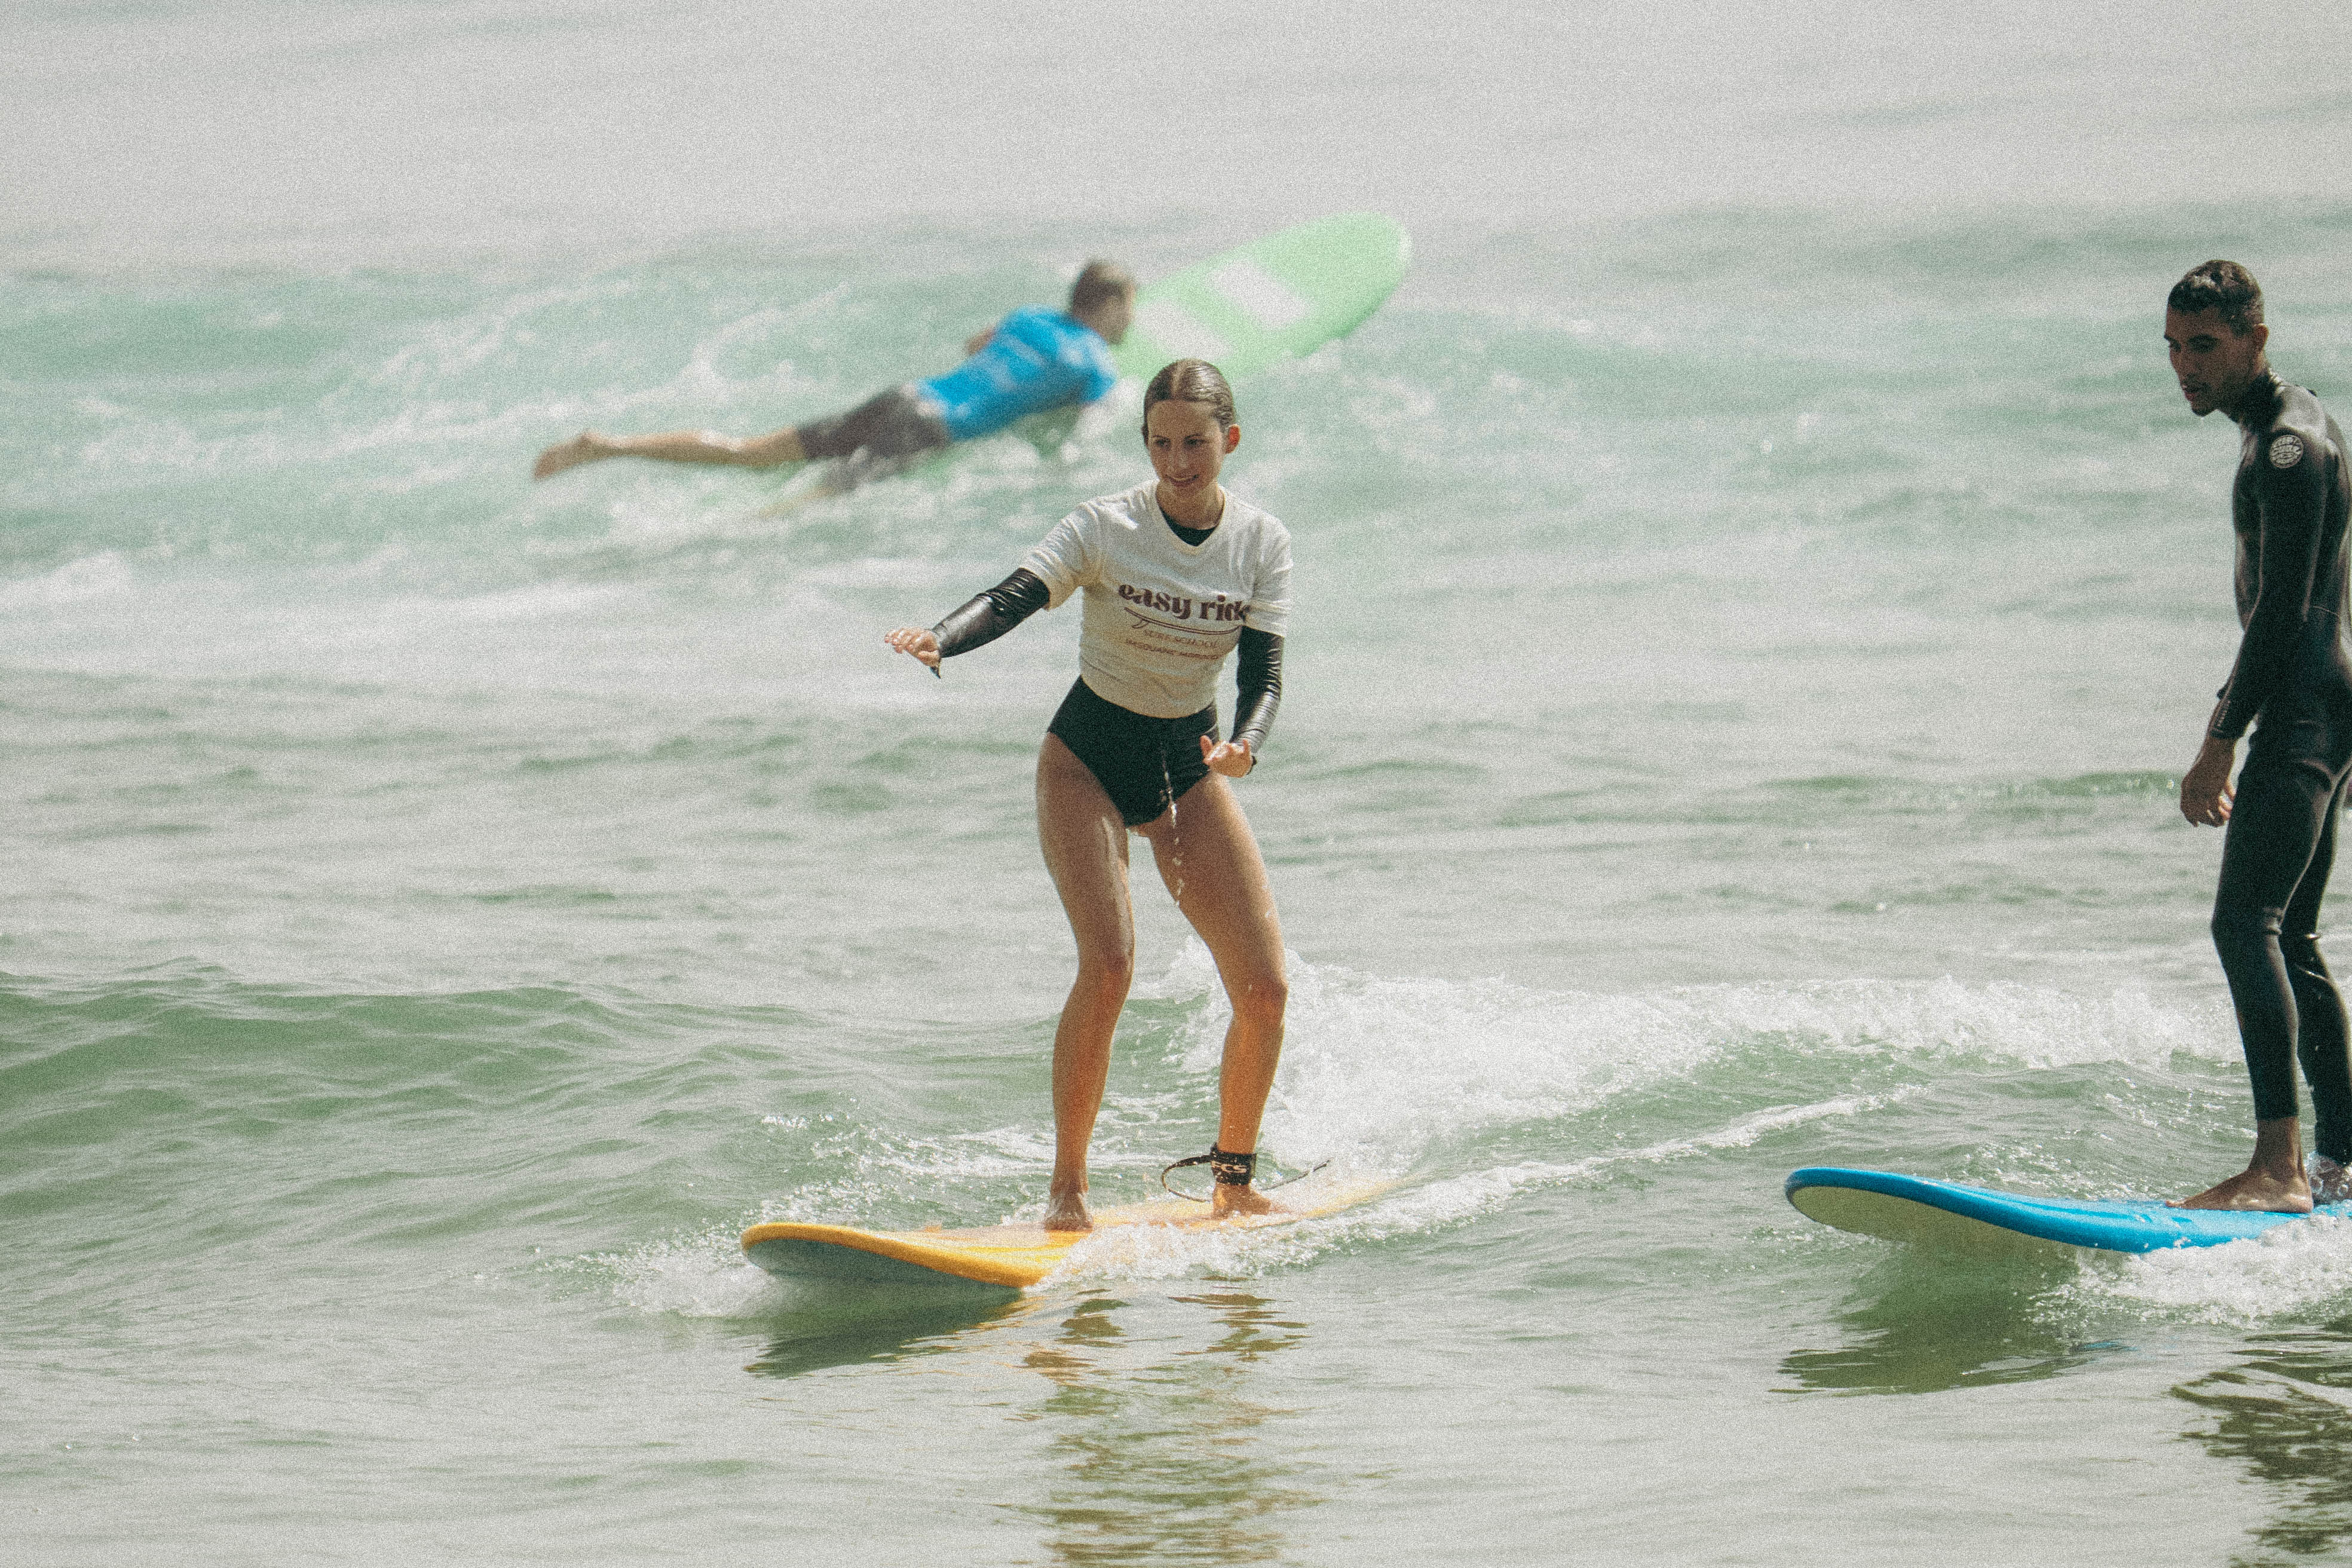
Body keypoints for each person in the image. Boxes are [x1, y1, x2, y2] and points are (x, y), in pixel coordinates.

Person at [884, 359, 1290, 1232]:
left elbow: (1263, 672)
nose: (1178, 461)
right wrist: (943, 638)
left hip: (1189, 767)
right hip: (1088, 760)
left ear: (1230, 439)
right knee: (1109, 964)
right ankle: (1068, 1189)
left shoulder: (1261, 542)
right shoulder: (1106, 527)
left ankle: (1233, 1178)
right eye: (1161, 443)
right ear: (1145, 442)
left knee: (1265, 991)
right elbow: (1015, 597)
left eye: (1195, 442)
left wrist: (1245, 748)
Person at [2168, 259, 2352, 1212]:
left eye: (2204, 346)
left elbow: (2283, 611)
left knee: (2246, 924)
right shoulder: (2296, 423)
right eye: (2173, 347)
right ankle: (2343, 1160)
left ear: (2256, 340)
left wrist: (2220, 738)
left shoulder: (2288, 448)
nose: (2184, 367)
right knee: (2298, 933)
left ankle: (2279, 1169)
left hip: (2305, 707)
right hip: (2328, 702)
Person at [531, 261, 1135, 491]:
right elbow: (1089, 437)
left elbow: (976, 345)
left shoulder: (1029, 317)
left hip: (905, 396)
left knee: (747, 453)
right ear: (1107, 307)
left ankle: (611, 444)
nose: (1129, 319)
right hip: (928, 432)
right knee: (802, 507)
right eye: (1127, 308)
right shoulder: (1094, 365)